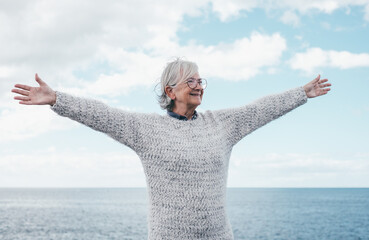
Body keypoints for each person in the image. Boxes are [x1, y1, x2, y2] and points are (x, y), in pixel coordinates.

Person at [11, 59, 331, 239]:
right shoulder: (148, 131)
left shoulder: (222, 124)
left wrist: (302, 92)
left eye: (200, 80)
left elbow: (262, 109)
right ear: (170, 90)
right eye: (190, 81)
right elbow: (103, 116)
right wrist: (57, 100)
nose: (199, 85)